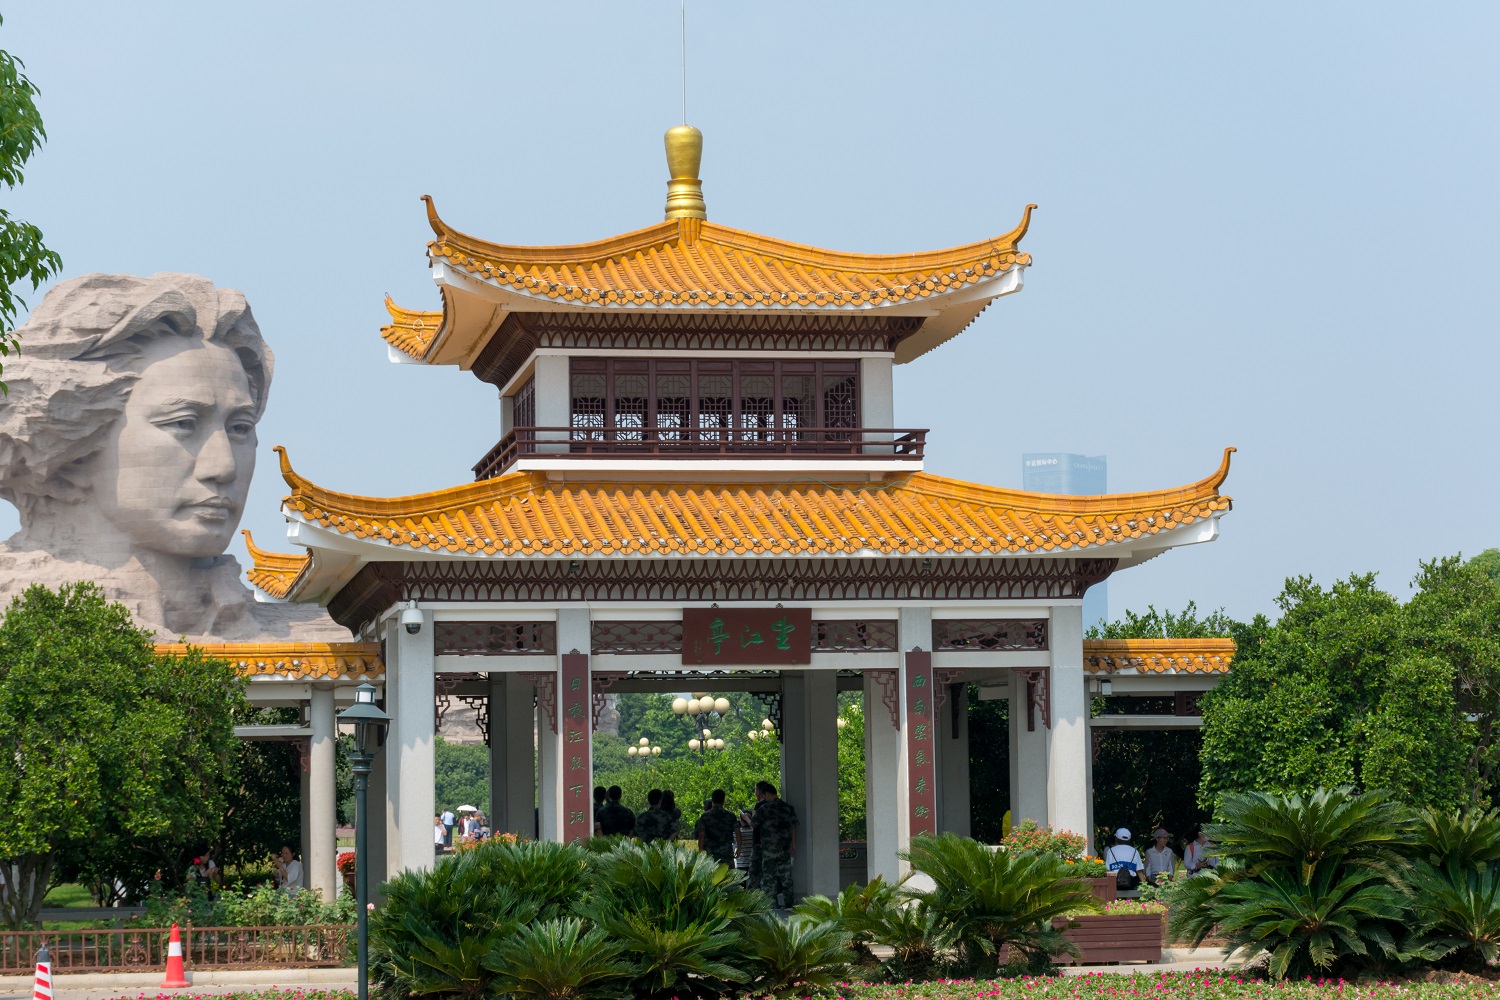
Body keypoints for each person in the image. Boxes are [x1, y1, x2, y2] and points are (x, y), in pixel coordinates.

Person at [0, 272, 344, 642]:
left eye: (240, 428)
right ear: (76, 451)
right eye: (183, 424)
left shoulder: (323, 641)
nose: (223, 467)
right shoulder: (20, 624)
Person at [752, 781, 798, 907]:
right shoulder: (788, 808)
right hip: (784, 849)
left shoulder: (764, 808)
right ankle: (789, 905)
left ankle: (771, 906)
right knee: (786, 878)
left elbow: (754, 823)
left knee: (769, 879)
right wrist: (793, 844)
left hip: (768, 850)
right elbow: (794, 826)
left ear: (766, 794)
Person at [694, 789, 738, 867]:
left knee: (711, 877)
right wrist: (739, 848)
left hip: (710, 853)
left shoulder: (705, 816)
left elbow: (701, 835)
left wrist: (701, 851)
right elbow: (738, 833)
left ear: (712, 800)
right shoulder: (731, 816)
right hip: (726, 852)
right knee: (729, 876)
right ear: (723, 800)